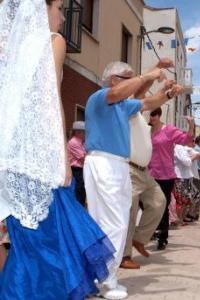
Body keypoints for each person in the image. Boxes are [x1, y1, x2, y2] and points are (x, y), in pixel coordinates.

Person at [0, 1, 115, 298]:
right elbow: (49, 104)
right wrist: (64, 162)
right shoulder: (53, 41)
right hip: (40, 162)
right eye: (61, 8)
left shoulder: (10, 49)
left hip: (11, 164)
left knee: (28, 249)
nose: (64, 17)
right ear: (41, 8)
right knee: (55, 252)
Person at [84, 57, 183, 297]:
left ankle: (104, 276)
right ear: (115, 80)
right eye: (129, 78)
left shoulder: (121, 106)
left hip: (116, 165)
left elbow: (149, 101)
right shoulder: (100, 97)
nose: (135, 82)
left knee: (114, 222)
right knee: (114, 223)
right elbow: (124, 91)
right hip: (104, 163)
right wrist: (149, 75)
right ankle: (105, 279)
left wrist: (168, 94)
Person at [121, 59, 175, 270]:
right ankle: (125, 256)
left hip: (145, 172)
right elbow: (143, 93)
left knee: (159, 202)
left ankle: (138, 238)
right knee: (131, 212)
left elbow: (149, 97)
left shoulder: (139, 115)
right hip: (131, 168)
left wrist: (164, 88)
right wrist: (157, 67)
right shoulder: (125, 108)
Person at [148, 107, 194, 250]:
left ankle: (162, 236)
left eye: (154, 114)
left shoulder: (168, 130)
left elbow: (186, 139)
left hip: (166, 175)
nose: (152, 117)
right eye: (150, 114)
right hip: (149, 173)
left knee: (163, 205)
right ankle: (152, 229)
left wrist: (191, 126)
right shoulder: (146, 131)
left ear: (159, 115)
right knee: (147, 204)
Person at [68, 121, 87, 206]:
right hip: (76, 170)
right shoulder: (74, 142)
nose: (86, 134)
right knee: (79, 190)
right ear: (78, 132)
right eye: (84, 132)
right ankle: (79, 207)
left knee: (81, 189)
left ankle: (80, 206)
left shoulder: (81, 142)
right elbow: (84, 158)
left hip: (80, 169)